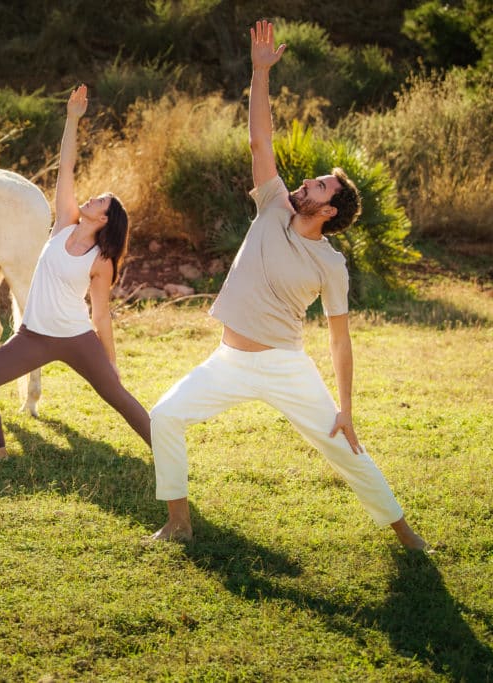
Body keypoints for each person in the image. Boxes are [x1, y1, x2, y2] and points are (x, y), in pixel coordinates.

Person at [147, 21, 429, 549]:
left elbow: (339, 340)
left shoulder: (331, 265)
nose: (304, 183)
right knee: (165, 416)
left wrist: (345, 408)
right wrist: (258, 73)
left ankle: (407, 535)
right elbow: (260, 138)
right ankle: (178, 524)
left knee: (345, 448)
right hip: (228, 360)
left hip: (284, 366)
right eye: (309, 180)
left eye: (316, 186)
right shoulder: (273, 205)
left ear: (328, 211)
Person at [0, 84, 150, 461]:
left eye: (101, 201)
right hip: (32, 337)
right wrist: (71, 119)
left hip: (77, 339)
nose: (93, 197)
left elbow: (100, 313)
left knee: (117, 396)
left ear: (103, 219)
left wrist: (110, 360)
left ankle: (166, 451)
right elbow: (66, 167)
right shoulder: (64, 223)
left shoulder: (101, 260)